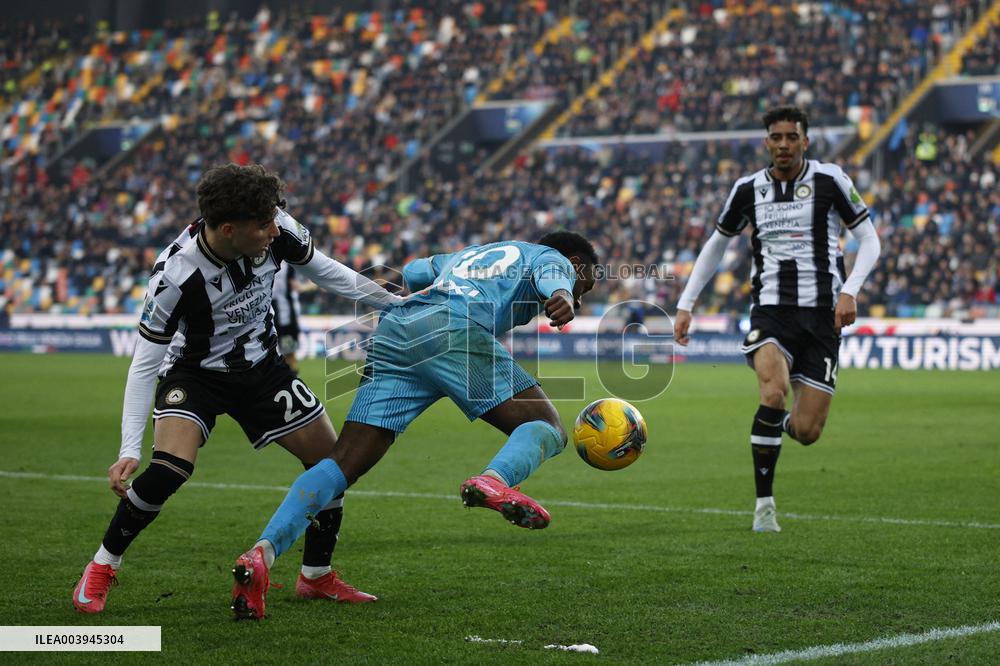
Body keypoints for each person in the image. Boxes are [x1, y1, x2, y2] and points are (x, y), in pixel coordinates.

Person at [72, 164, 403, 613]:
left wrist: (401, 304)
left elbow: (332, 275)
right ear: (229, 229)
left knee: (332, 465)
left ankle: (316, 576)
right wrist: (130, 445)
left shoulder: (277, 226)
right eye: (264, 224)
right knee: (169, 469)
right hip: (195, 374)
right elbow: (144, 363)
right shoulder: (175, 277)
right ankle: (102, 566)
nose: (274, 228)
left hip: (263, 368)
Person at [228, 231, 597, 619]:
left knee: (341, 463)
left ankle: (263, 555)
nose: (582, 294)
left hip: (398, 329)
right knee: (548, 426)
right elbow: (555, 272)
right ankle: (494, 480)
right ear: (576, 264)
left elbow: (414, 271)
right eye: (584, 284)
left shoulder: (471, 253)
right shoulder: (546, 258)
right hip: (451, 329)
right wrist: (564, 293)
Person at [673, 106, 881, 533]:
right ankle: (764, 506)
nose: (783, 144)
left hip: (823, 318)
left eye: (791, 136)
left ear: (805, 141)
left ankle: (777, 426)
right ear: (766, 142)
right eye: (776, 137)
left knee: (807, 431)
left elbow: (870, 240)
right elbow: (716, 245)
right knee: (773, 392)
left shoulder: (831, 180)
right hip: (770, 312)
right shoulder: (747, 189)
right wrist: (686, 303)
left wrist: (850, 290)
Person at [271, 262, 302, 373]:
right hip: (285, 318)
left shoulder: (268, 263)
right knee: (289, 355)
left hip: (281, 318)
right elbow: (296, 286)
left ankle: (292, 381)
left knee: (288, 354)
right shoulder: (287, 266)